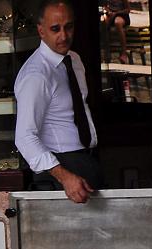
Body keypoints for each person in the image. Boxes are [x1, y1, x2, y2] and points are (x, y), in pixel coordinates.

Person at [15, 0, 102, 204]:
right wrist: (65, 177)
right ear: (41, 31)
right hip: (58, 173)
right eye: (55, 29)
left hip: (85, 161)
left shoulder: (74, 60)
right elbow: (25, 137)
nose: (63, 36)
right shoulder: (36, 74)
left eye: (68, 27)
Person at [104, 0, 131, 64]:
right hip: (111, 14)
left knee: (117, 22)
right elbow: (105, 7)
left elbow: (128, 10)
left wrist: (116, 13)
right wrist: (108, 11)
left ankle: (124, 53)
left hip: (121, 14)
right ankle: (106, 52)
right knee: (103, 23)